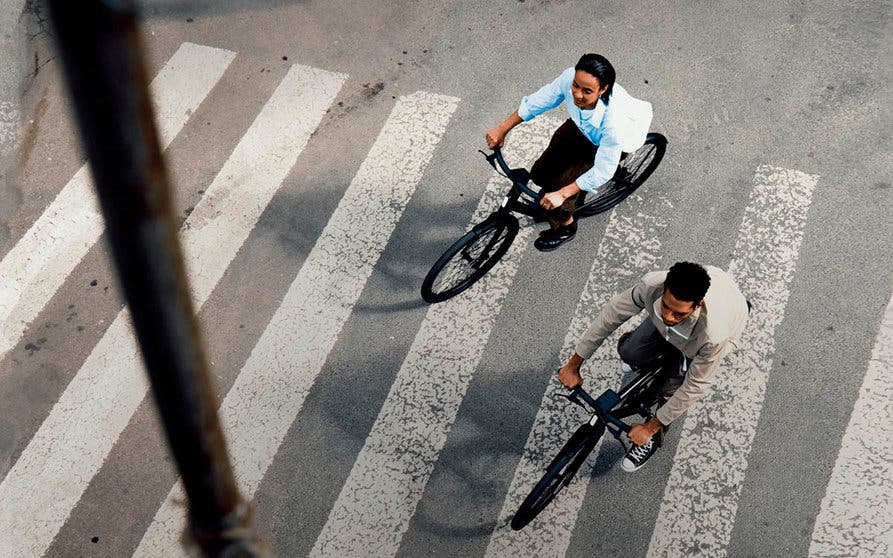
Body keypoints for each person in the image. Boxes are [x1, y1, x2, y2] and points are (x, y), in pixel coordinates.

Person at [557, 262, 749, 472]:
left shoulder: (714, 335)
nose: (668, 316)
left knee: (669, 390)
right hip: (709, 288)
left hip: (708, 334)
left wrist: (650, 427)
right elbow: (611, 315)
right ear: (664, 287)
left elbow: (695, 386)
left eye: (678, 314)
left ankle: (653, 438)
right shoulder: (652, 285)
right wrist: (574, 364)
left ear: (697, 306)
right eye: (665, 306)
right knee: (630, 352)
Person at [485, 53, 650, 251]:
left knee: (559, 197)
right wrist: (502, 129)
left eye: (587, 91)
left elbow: (602, 169)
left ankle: (566, 227)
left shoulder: (614, 123)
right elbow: (537, 102)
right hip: (581, 128)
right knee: (540, 173)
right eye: (576, 86)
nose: (577, 94)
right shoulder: (570, 77)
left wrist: (562, 194)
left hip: (609, 142)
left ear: (603, 89)